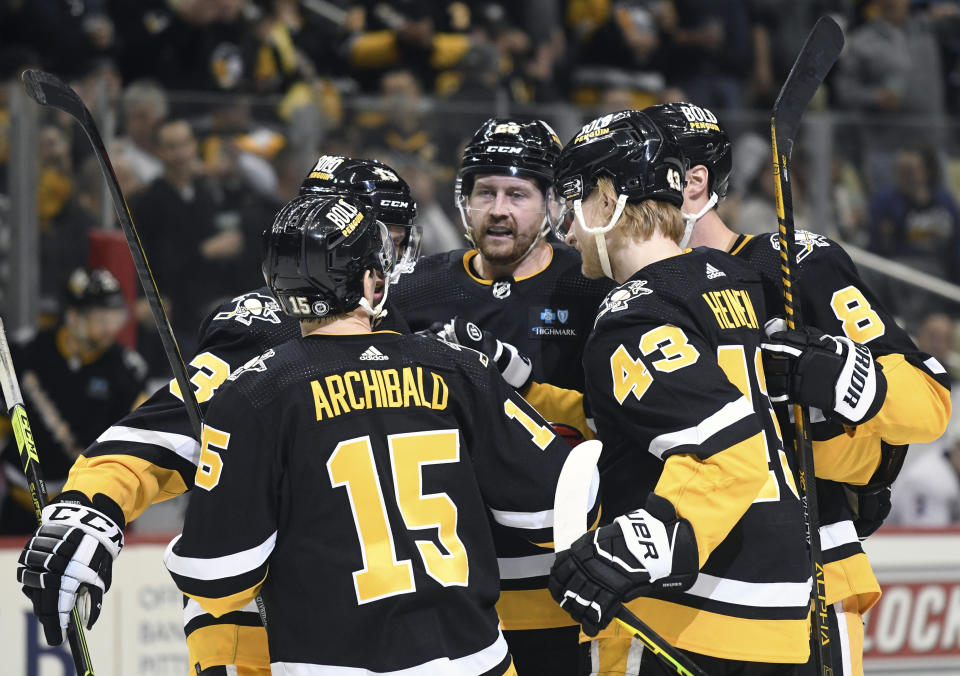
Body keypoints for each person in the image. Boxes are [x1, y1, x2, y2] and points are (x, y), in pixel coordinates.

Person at [14, 158, 422, 674]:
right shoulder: (271, 325)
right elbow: (165, 430)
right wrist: (91, 509)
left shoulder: (407, 328)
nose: (396, 260)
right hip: (259, 630)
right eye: (387, 240)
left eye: (401, 240)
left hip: (379, 629)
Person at [164, 191, 597, 674]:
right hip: (475, 661)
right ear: (372, 281)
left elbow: (216, 579)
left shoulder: (250, 395)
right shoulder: (457, 368)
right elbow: (557, 511)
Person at [642, 101, 953, 675]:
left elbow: (927, 404)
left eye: (636, 179)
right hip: (671, 592)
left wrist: (834, 376)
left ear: (692, 183)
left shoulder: (792, 263)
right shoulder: (628, 298)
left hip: (803, 578)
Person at [547, 110, 812, 672]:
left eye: (574, 200)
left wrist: (637, 547)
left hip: (697, 613)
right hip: (783, 594)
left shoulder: (631, 315)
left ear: (611, 198)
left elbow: (730, 450)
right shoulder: (729, 279)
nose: (566, 227)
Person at [390, 117, 614, 675]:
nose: (498, 209)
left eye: (518, 193)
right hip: (448, 587)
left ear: (553, 205)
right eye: (484, 192)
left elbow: (620, 423)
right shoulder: (416, 289)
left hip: (568, 582)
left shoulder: (591, 287)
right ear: (462, 202)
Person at [1, 268, 146, 534]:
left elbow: (136, 443)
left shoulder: (127, 370)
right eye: (101, 319)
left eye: (116, 318)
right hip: (17, 507)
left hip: (84, 512)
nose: (110, 329)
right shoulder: (25, 352)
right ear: (73, 317)